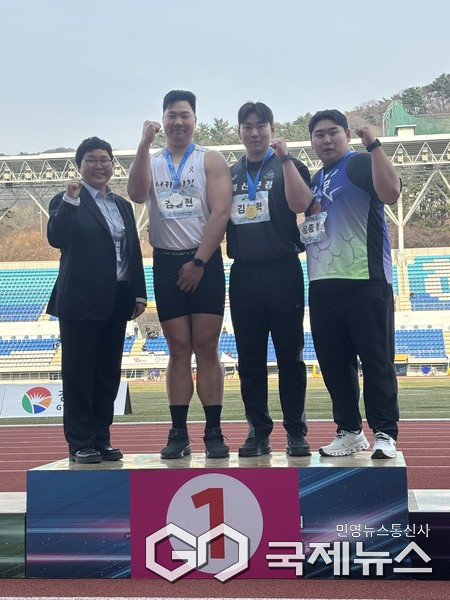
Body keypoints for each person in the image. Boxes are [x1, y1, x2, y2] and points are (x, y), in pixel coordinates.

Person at [128, 90, 232, 459]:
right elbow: (136, 194)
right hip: (167, 262)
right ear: (163, 119)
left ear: (195, 120)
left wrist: (199, 262)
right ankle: (178, 433)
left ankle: (214, 431)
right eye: (171, 115)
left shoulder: (210, 159)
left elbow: (221, 213)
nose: (178, 122)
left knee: (206, 346)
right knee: (178, 349)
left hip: (204, 261)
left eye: (185, 115)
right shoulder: (152, 160)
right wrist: (143, 144)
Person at [305, 110, 401, 459]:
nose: (326, 140)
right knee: (334, 365)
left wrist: (374, 145)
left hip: (365, 279)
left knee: (377, 362)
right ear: (312, 141)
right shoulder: (315, 179)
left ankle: (385, 433)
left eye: (333, 132)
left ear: (346, 135)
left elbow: (391, 193)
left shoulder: (359, 163)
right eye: (319, 134)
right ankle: (349, 431)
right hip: (322, 282)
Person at [47, 137, 147, 464]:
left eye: (104, 159)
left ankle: (102, 438)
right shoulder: (67, 200)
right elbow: (57, 237)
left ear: (112, 165)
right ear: (80, 165)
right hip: (81, 300)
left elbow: (132, 251)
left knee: (107, 374)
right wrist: (71, 199)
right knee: (79, 374)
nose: (99, 165)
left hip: (117, 298)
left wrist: (138, 292)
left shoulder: (121, 205)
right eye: (91, 160)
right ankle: (80, 442)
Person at [227, 101, 314, 457]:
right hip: (244, 272)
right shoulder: (230, 173)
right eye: (247, 126)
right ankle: (258, 431)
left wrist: (287, 158)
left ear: (272, 129)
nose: (254, 133)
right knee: (249, 360)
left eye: (261, 125)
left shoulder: (288, 165)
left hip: (283, 269)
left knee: (290, 356)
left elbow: (301, 205)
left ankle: (295, 431)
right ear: (239, 132)